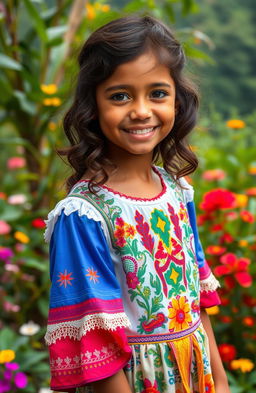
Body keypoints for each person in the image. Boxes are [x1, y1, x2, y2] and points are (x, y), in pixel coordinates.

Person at [44, 15, 231, 393]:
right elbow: (96, 342)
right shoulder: (84, 215)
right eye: (120, 95)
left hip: (196, 375)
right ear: (92, 105)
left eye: (157, 93)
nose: (141, 110)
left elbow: (197, 305)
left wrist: (222, 386)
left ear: (178, 101)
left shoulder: (177, 190)